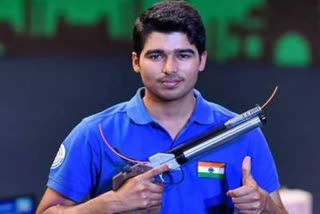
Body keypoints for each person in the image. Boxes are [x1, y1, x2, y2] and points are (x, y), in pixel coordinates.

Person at [36, 1, 287, 213]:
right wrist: (111, 203)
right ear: (136, 61)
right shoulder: (95, 132)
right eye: (156, 56)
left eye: (183, 55)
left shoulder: (243, 132)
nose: (169, 68)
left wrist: (264, 204)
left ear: (202, 60)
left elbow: (277, 209)